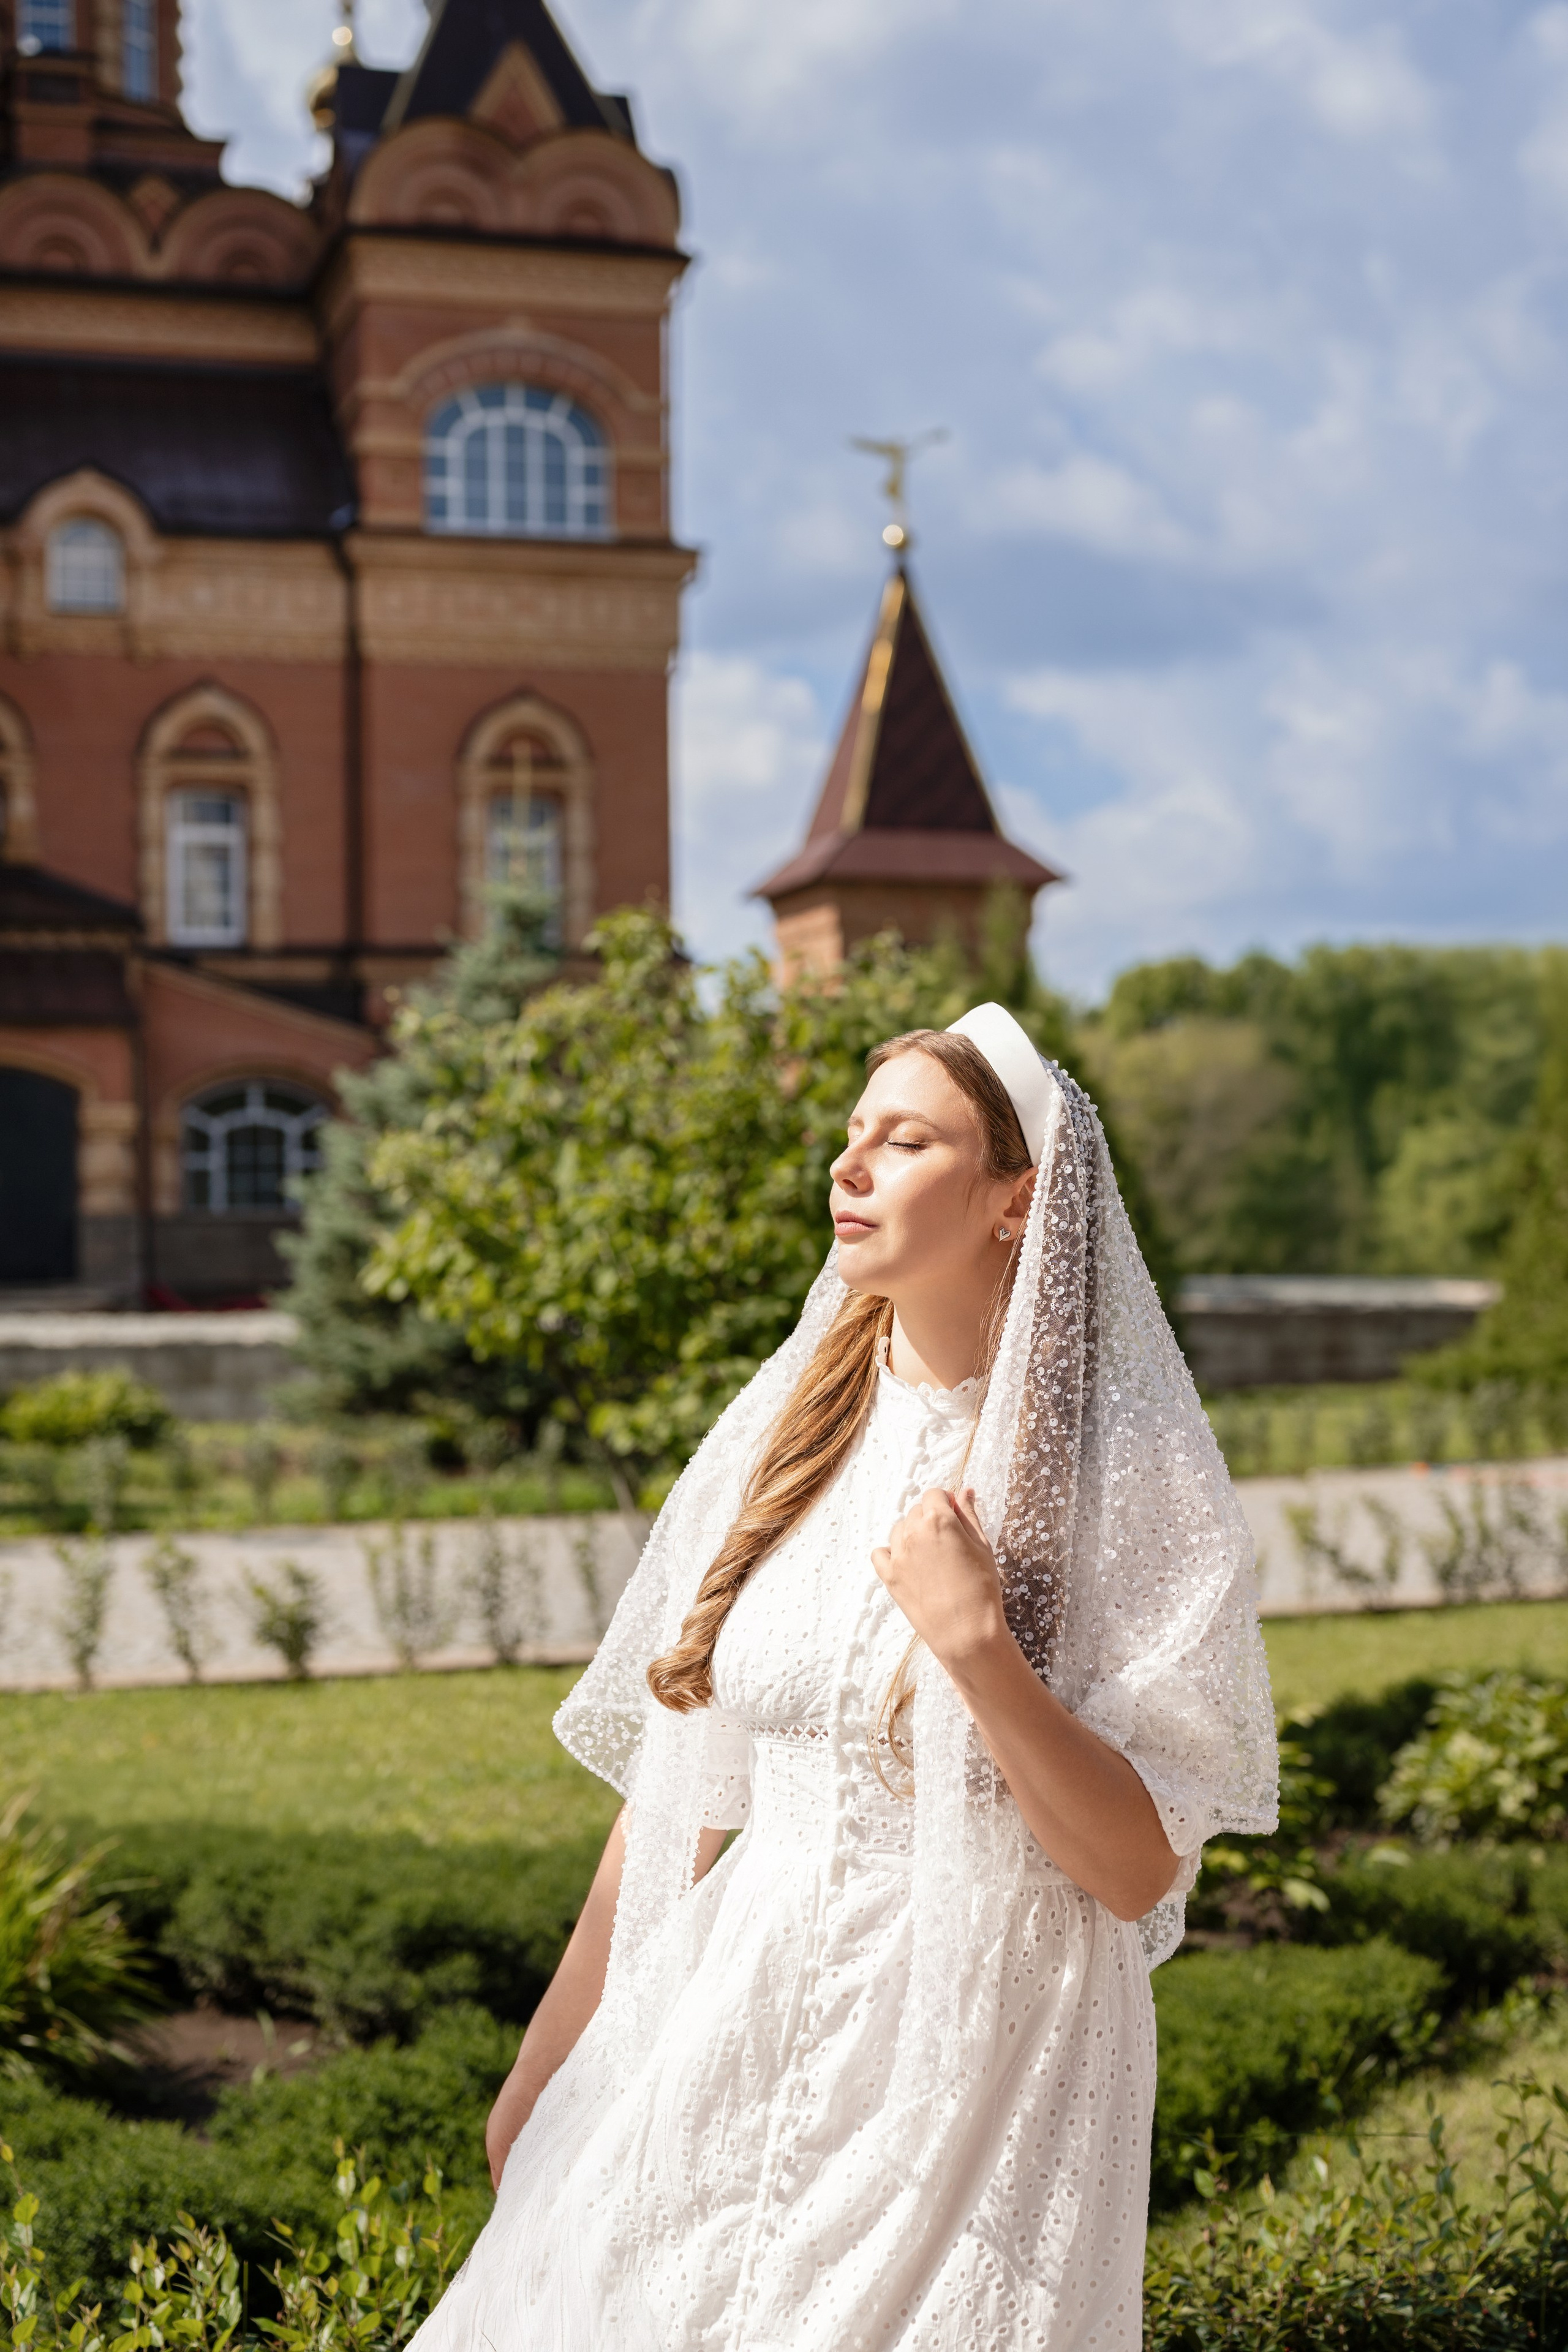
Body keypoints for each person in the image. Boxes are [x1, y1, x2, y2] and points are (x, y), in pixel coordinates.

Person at [412, 1003, 1278, 2352]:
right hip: (727, 2019)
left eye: (906, 1137)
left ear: (1014, 1199)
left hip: (980, 2071)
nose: (849, 1163)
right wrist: (549, 2058)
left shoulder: (1132, 1484)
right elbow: (677, 1801)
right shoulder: (783, 1440)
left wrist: (976, 1646)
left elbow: (1129, 1871)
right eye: (850, 1134)